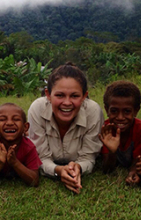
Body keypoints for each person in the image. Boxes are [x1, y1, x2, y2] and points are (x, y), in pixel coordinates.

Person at [28, 62, 104, 194]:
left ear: (84, 97)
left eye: (74, 96)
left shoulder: (93, 111)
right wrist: (58, 171)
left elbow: (88, 157)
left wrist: (78, 168)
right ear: (48, 95)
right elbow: (40, 158)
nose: (67, 103)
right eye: (60, 95)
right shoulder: (37, 109)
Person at [99, 80, 141, 184]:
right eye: (114, 111)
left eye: (127, 111)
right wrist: (111, 151)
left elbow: (138, 159)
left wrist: (133, 172)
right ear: (106, 110)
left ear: (136, 111)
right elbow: (107, 169)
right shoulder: (105, 129)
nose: (120, 117)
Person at [0, 103, 41, 186]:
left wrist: (15, 162)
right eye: (2, 119)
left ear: (25, 127)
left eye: (16, 119)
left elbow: (34, 181)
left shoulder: (29, 147)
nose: (9, 123)